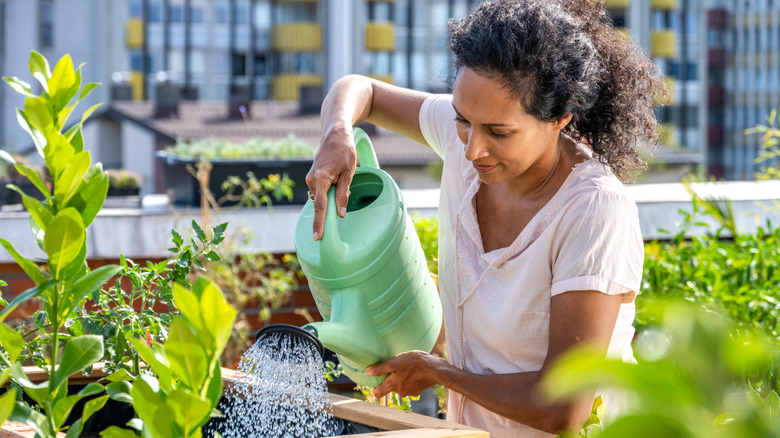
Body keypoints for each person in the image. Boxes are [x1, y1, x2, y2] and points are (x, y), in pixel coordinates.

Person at [306, 1, 663, 436]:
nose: (472, 149)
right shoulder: (473, 139)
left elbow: (564, 408)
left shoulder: (593, 211)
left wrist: (440, 373)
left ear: (560, 118)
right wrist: (336, 132)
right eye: (462, 120)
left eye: (498, 132)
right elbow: (360, 90)